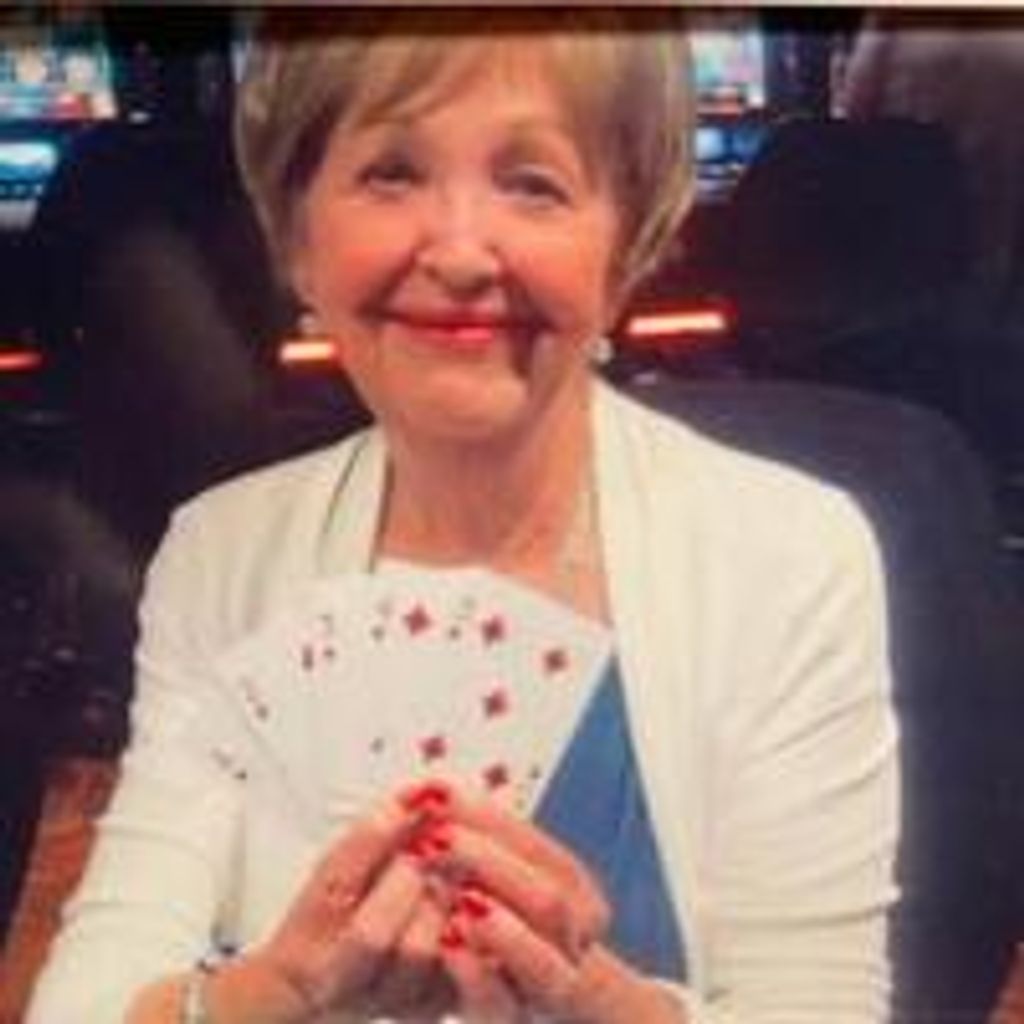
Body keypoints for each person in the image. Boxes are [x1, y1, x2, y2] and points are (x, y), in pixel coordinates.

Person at [27, 9, 898, 1023]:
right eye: (391, 173)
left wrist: (609, 1010)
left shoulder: (790, 557)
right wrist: (268, 996)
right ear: (299, 240)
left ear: (627, 245)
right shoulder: (222, 556)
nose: (459, 251)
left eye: (533, 182)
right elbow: (84, 1000)